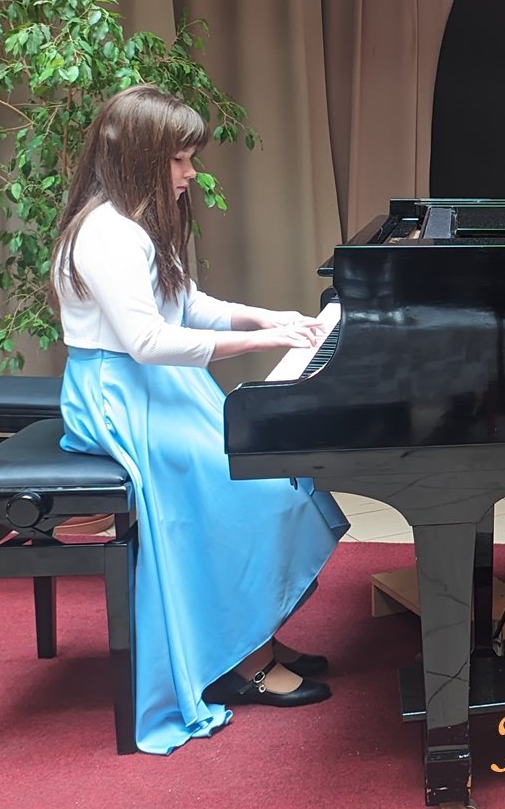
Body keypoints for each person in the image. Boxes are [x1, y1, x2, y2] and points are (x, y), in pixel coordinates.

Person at [50, 84, 350, 755]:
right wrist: (263, 341)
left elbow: (188, 305)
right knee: (246, 489)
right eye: (181, 159)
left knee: (274, 472)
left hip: (159, 386)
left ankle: (249, 638)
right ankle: (244, 661)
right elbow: (148, 341)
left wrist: (271, 317)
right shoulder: (107, 235)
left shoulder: (136, 223)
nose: (191, 172)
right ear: (141, 157)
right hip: (120, 395)